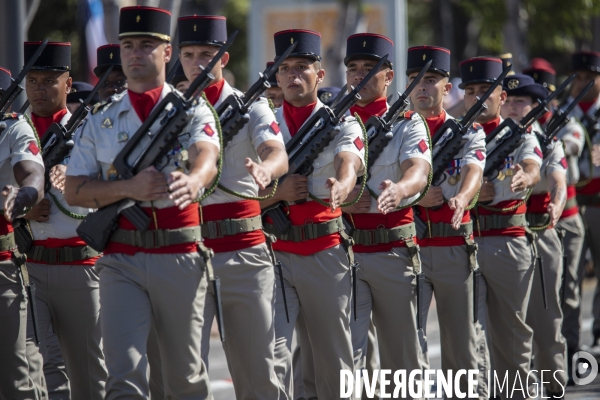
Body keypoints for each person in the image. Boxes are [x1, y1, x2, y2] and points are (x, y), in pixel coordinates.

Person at [64, 6, 219, 398]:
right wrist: (129, 189)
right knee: (124, 374)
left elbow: (207, 157)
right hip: (121, 259)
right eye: (128, 45)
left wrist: (195, 179)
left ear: (168, 52)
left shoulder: (191, 108)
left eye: (146, 45)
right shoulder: (100, 120)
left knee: (184, 377)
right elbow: (75, 189)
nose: (134, 53)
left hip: (179, 254)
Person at [177, 14, 287, 399]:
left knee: (257, 370)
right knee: (184, 373)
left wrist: (266, 169)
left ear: (223, 57)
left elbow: (276, 151)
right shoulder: (169, 111)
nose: (196, 63)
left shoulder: (250, 106)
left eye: (206, 54)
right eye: (188, 54)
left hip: (243, 250)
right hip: (184, 250)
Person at [259, 29, 365, 399]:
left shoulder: (342, 121)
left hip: (324, 252)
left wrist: (343, 183)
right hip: (274, 254)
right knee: (271, 359)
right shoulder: (263, 124)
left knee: (334, 362)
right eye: (285, 68)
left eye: (302, 67)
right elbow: (242, 194)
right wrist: (278, 193)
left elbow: (348, 160)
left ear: (320, 75)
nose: (292, 75)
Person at [22, 40, 107, 400]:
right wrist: (23, 209)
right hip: (30, 266)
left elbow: (112, 185)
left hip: (81, 265)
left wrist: (72, 175)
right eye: (34, 80)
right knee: (43, 369)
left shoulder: (89, 130)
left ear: (68, 84)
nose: (40, 89)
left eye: (49, 81)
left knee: (90, 373)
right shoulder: (13, 132)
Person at [407, 45, 487, 397]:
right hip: (408, 250)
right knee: (410, 345)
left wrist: (462, 196)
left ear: (446, 88)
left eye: (430, 80)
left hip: (454, 246)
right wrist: (416, 194)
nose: (422, 88)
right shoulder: (396, 132)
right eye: (414, 81)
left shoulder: (466, 131)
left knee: (461, 346)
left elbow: (474, 170)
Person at [462, 57, 542, 399]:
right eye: (471, 91)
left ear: (502, 98)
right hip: (462, 242)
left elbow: (532, 163)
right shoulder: (455, 136)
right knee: (468, 333)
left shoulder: (519, 133)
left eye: (486, 91)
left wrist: (526, 175)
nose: (478, 97)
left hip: (506, 241)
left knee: (510, 330)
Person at [500, 73, 568, 397]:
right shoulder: (489, 139)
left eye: (521, 102)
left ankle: (553, 383)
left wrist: (557, 204)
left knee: (545, 315)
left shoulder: (548, 140)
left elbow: (558, 180)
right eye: (509, 101)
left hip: (539, 228)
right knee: (509, 322)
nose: (513, 108)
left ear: (535, 106)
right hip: (502, 232)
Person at [0, 65, 46, 400]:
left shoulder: (13, 128)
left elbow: (31, 174)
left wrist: (23, 195)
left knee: (15, 375)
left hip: (1, 262)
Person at [559, 51, 600, 360]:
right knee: (568, 279)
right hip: (571, 205)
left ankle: (598, 331)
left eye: (589, 78)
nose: (582, 84)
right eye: (577, 78)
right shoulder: (561, 114)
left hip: (599, 204)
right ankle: (570, 342)